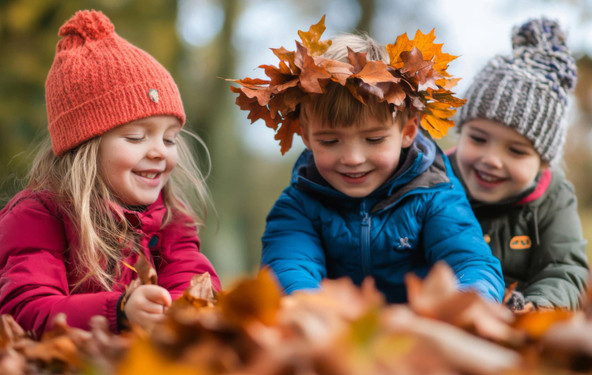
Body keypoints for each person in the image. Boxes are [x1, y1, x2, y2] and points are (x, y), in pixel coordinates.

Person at [229, 17, 505, 303]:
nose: (353, 159)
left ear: (408, 131)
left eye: (373, 140)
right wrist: (314, 312)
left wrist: (466, 305)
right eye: (330, 141)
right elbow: (287, 270)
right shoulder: (299, 206)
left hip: (418, 331)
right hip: (334, 333)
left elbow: (471, 263)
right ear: (306, 136)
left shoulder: (435, 195)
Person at [0, 10, 221, 338]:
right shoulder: (37, 216)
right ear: (84, 147)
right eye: (136, 137)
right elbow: (25, 309)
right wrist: (119, 312)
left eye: (170, 138)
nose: (160, 151)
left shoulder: (171, 220)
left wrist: (175, 317)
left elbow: (195, 288)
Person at [449, 17, 589, 311]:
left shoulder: (553, 197)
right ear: (461, 132)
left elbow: (563, 268)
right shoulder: (434, 179)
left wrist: (538, 307)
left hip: (515, 315)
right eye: (478, 139)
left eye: (516, 150)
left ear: (542, 163)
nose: (491, 159)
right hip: (444, 310)